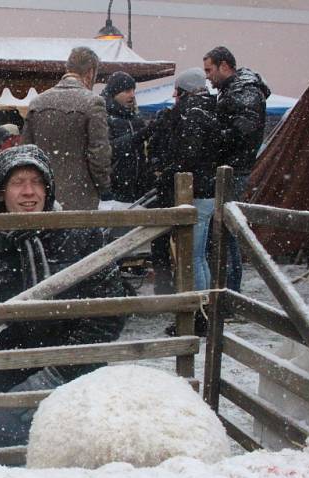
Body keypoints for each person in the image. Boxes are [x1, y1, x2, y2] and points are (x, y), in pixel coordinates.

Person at [0, 145, 126, 450]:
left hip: (77, 363)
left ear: (49, 189)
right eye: (18, 183)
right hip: (16, 358)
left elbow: (110, 314)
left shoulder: (80, 237)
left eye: (37, 182)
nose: (29, 192)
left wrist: (55, 372)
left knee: (9, 433)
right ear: (0, 192)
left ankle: (21, 439)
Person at [157, 68, 221, 336]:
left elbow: (188, 155)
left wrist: (169, 172)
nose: (174, 96)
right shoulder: (208, 110)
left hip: (195, 192)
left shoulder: (193, 114)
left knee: (192, 258)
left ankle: (197, 318)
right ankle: (206, 312)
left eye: (177, 91)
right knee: (199, 257)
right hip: (207, 191)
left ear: (185, 91)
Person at [203, 46, 270, 293]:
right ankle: (226, 291)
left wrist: (213, 135)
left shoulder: (245, 92)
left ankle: (229, 293)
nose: (207, 76)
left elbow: (243, 132)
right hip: (229, 168)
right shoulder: (235, 91)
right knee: (222, 231)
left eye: (210, 70)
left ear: (224, 66)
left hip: (233, 170)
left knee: (225, 231)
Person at [23, 46, 112, 210]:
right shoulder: (93, 103)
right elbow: (99, 154)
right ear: (91, 72)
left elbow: (26, 152)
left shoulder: (37, 103)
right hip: (80, 196)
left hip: (42, 196)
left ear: (68, 68)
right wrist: (105, 188)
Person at [102, 71, 152, 203]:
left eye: (133, 90)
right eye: (127, 91)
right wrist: (138, 136)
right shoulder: (103, 117)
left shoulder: (135, 117)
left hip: (138, 188)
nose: (132, 95)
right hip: (115, 189)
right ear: (115, 93)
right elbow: (107, 150)